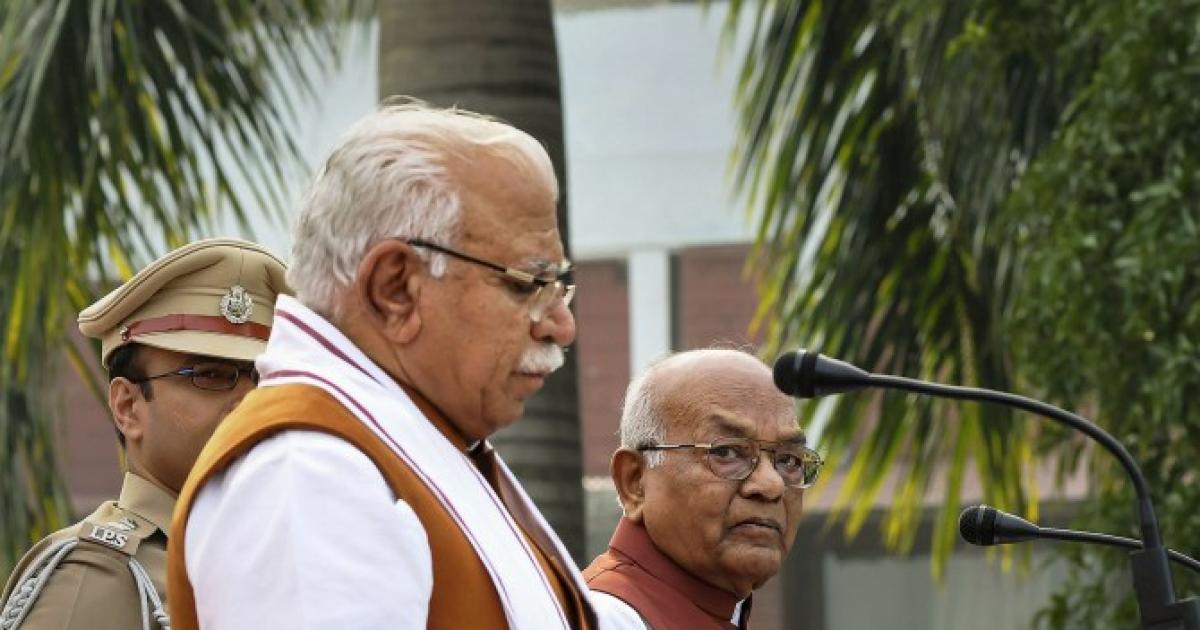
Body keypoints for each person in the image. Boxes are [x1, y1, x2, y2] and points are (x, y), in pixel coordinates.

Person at [167, 102, 596, 629]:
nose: (560, 325)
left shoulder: (388, 446)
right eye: (527, 285)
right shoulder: (310, 474)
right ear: (395, 289)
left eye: (557, 286)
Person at [0, 238, 288, 630]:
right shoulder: (96, 583)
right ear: (128, 407)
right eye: (210, 375)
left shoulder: (286, 563)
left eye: (266, 378)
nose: (249, 401)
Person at [584, 349, 823, 629]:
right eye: (727, 452)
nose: (772, 485)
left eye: (789, 460)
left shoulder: (724, 611)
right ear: (634, 481)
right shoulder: (600, 618)